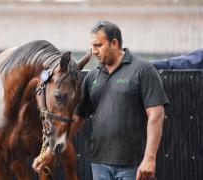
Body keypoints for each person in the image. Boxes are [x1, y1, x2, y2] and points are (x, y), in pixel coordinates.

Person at [33, 20, 169, 180]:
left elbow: (156, 115)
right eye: (92, 46)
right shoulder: (92, 76)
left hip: (134, 166)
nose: (94, 51)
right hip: (99, 166)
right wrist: (50, 152)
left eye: (98, 45)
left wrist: (149, 159)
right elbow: (77, 118)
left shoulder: (143, 70)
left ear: (114, 43)